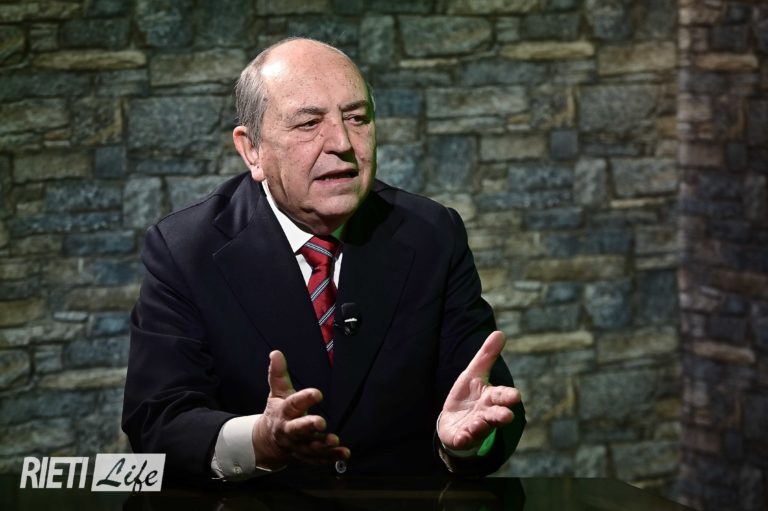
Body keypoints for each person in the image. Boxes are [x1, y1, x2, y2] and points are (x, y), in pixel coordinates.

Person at [122, 37, 525, 483]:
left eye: (357, 118)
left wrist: (465, 444)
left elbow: (483, 402)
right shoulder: (185, 250)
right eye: (309, 123)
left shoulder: (432, 235)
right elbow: (158, 420)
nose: (342, 143)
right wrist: (260, 440)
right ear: (251, 149)